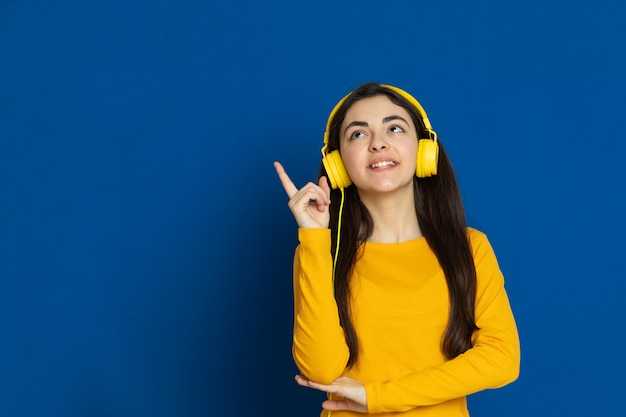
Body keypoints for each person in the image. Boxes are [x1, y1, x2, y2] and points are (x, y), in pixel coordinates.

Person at [274, 82, 520, 416]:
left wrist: (381, 397)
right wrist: (315, 238)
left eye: (394, 128)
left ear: (423, 149)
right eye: (358, 135)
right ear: (338, 164)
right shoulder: (320, 250)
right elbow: (320, 369)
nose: (378, 143)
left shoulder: (470, 247)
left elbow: (502, 359)